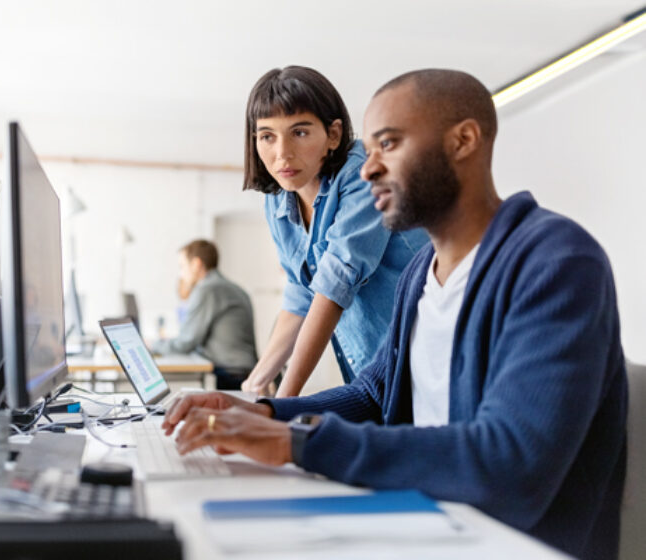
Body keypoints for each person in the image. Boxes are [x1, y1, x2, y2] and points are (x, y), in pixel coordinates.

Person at [162, 69, 628, 560]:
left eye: (388, 144)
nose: (367, 170)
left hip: (508, 541)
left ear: (463, 142)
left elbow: (509, 464)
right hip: (427, 514)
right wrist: (264, 411)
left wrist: (297, 444)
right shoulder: (420, 273)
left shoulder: (555, 263)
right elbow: (372, 393)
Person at [240, 66, 427, 397]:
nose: (282, 153)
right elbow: (301, 292)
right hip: (372, 373)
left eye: (299, 132)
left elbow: (334, 285)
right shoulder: (278, 198)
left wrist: (281, 404)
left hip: (424, 362)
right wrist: (255, 384)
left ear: (334, 135)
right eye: (267, 136)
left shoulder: (365, 175)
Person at [153, 239, 258, 390]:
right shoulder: (232, 287)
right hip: (244, 371)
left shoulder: (207, 289)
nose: (181, 274)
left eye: (182, 266)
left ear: (196, 264)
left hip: (231, 374)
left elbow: (186, 342)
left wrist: (153, 345)